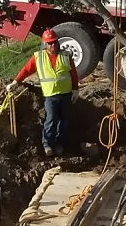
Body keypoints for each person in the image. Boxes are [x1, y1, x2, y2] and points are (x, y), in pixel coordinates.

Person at [14, 28, 79, 158]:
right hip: (50, 96)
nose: (52, 45)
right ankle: (47, 144)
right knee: (51, 120)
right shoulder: (38, 57)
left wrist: (76, 89)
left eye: (54, 42)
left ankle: (59, 144)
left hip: (66, 94)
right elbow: (27, 70)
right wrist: (16, 81)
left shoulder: (65, 55)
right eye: (49, 43)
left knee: (64, 121)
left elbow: (73, 73)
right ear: (45, 44)